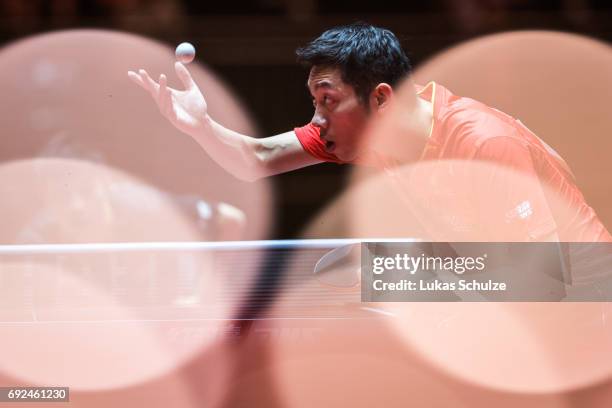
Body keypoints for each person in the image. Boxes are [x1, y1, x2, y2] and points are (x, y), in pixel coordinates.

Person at [128, 22, 611, 286]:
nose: (317, 120)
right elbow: (256, 159)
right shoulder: (371, 134)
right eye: (315, 103)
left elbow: (543, 278)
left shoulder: (482, 143)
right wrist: (199, 127)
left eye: (328, 102)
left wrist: (392, 265)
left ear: (380, 98)